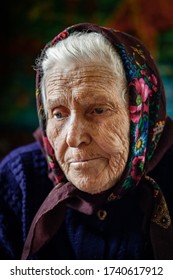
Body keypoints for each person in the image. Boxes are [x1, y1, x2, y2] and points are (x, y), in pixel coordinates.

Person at [1, 22, 173, 260]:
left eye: (98, 110)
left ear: (140, 113)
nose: (73, 137)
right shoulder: (18, 180)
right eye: (58, 114)